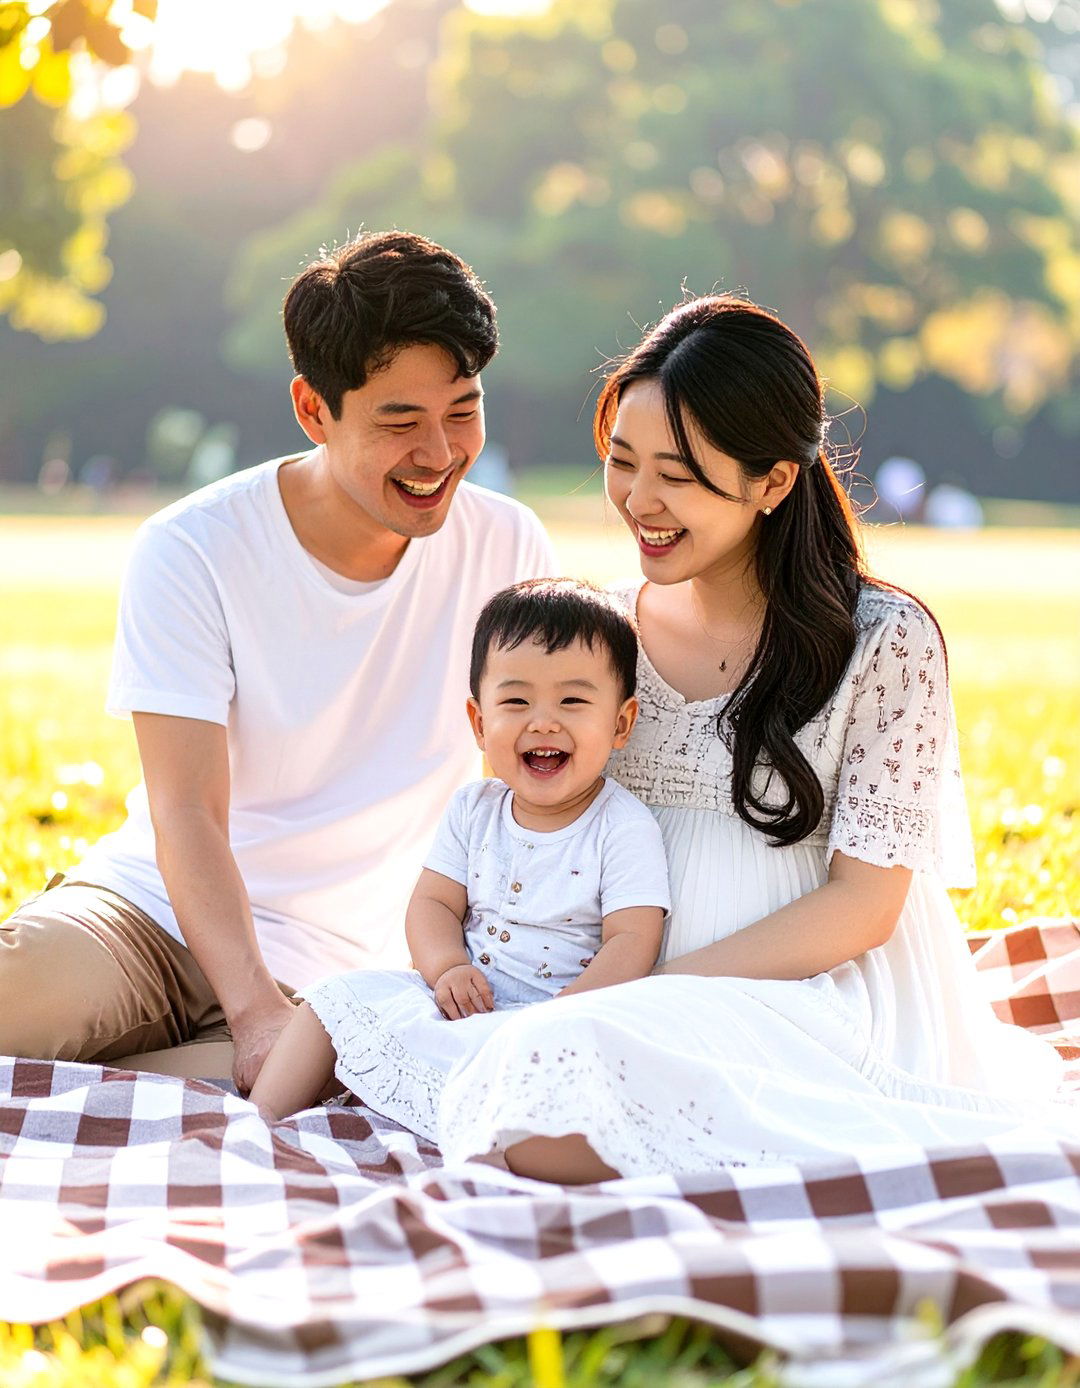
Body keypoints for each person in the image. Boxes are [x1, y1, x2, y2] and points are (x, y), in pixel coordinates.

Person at [362, 293, 1071, 1184]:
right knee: (390, 1032)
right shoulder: (602, 636)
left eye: (680, 474)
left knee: (548, 1120)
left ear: (774, 481)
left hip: (805, 995)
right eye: (623, 462)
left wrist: (658, 993)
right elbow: (523, 821)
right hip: (604, 988)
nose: (640, 501)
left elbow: (865, 905)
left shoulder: (883, 640)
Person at [0, 231, 555, 1092]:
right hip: (147, 917)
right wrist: (252, 1008)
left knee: (301, 1080)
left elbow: (536, 780)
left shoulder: (508, 545)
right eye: (400, 421)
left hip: (327, 970)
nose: (440, 454)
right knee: (18, 999)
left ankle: (137, 1076)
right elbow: (185, 810)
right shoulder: (193, 548)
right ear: (313, 409)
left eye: (463, 410)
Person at [249, 578, 671, 1125]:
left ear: (621, 723)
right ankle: (256, 1125)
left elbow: (633, 938)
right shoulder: (475, 808)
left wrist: (568, 1013)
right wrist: (446, 966)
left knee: (546, 1095)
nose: (543, 721)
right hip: (462, 1001)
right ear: (478, 722)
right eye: (516, 700)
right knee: (336, 1000)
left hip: (554, 1022)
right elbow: (433, 905)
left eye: (572, 700)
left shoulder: (622, 827)